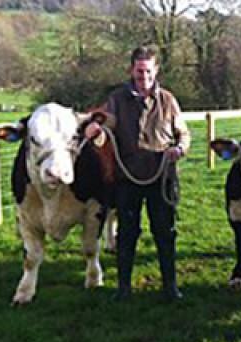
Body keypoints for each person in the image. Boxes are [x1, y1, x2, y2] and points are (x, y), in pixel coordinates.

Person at [86, 45, 191, 302]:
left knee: (165, 231)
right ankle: (123, 289)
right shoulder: (117, 99)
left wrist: (180, 148)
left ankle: (170, 287)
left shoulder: (168, 100)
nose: (143, 76)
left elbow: (184, 134)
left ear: (156, 71)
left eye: (148, 71)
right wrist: (96, 129)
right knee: (127, 233)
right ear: (131, 70)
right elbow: (106, 125)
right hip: (127, 178)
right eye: (139, 71)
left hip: (162, 176)